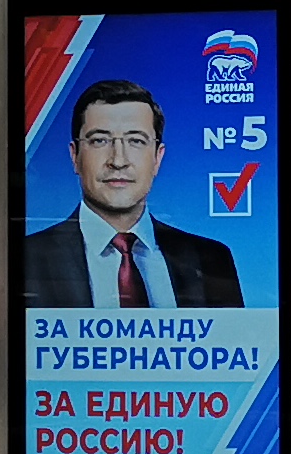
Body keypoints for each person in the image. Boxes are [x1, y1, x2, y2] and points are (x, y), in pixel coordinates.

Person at [18, 77, 243, 308]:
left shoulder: (212, 260)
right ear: (75, 156)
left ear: (157, 157)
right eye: (100, 140)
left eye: (135, 140)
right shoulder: (24, 258)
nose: (118, 161)